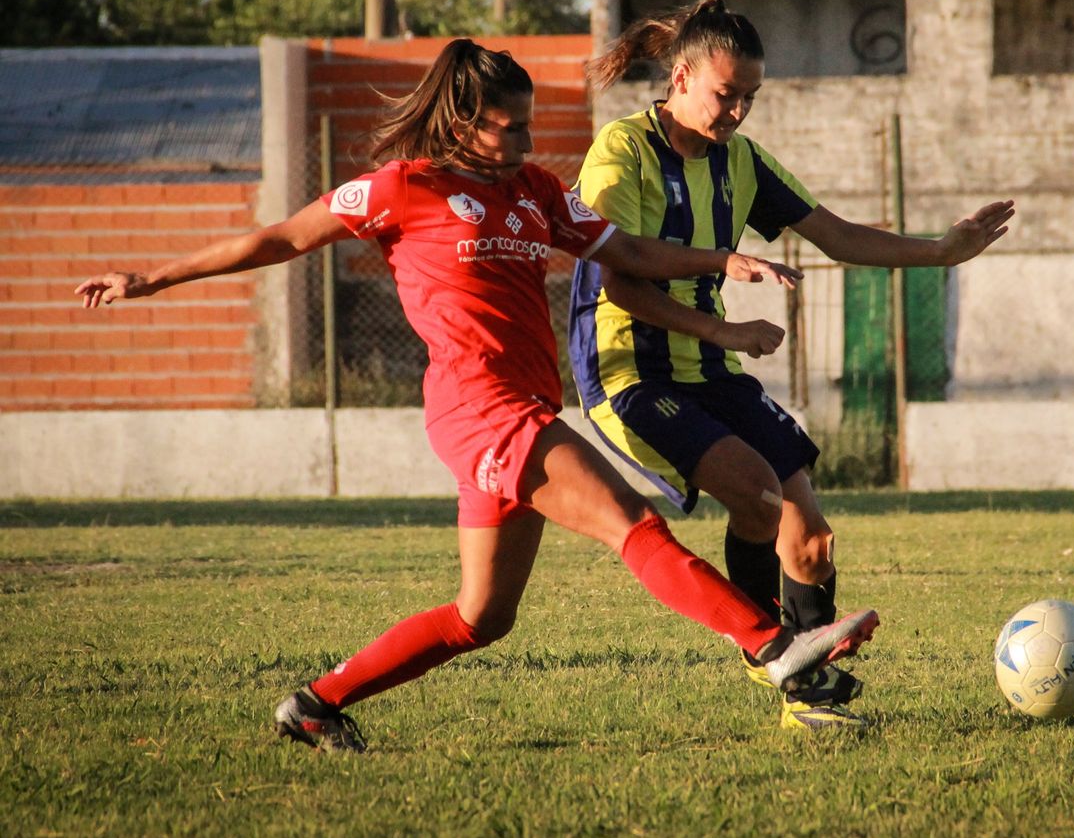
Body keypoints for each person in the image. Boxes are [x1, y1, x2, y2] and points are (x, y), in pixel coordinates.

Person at [74, 38, 879, 752]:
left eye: (529, 124)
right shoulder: (401, 189)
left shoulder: (534, 189)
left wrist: (721, 264)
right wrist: (150, 278)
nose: (525, 141)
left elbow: (628, 248)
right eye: (509, 126)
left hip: (524, 408)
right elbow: (281, 237)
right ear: (461, 122)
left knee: (481, 617)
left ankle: (317, 704)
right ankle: (776, 648)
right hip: (480, 410)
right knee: (632, 524)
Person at [568, 0, 1014, 730]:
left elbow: (835, 235)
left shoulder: (739, 162)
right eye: (725, 94)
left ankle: (815, 698)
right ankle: (780, 663)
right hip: (630, 375)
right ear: (680, 77)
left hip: (710, 364)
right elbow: (622, 278)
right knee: (756, 493)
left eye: (750, 98)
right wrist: (723, 325)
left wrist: (940, 250)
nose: (738, 112)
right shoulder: (621, 151)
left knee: (810, 540)